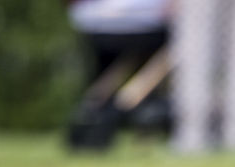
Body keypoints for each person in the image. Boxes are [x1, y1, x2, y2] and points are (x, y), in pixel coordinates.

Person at [65, 0, 173, 151]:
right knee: (172, 48)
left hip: (95, 21)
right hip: (146, 22)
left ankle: (98, 107)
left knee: (129, 61)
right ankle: (124, 105)